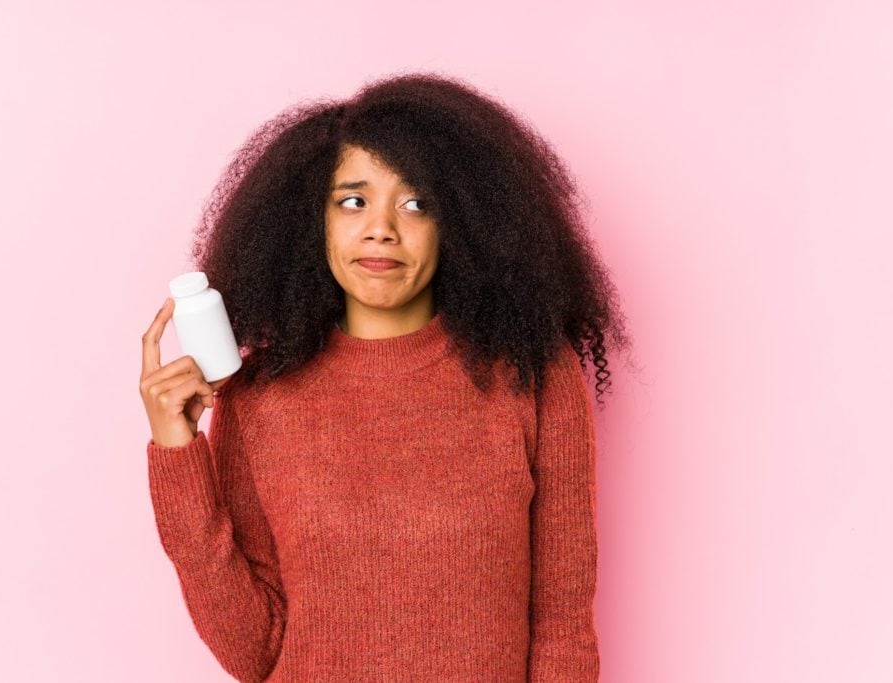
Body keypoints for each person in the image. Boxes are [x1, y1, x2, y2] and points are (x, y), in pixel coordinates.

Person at [139, 71, 631, 682]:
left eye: (417, 202)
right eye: (353, 200)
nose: (382, 228)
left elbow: (561, 620)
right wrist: (178, 449)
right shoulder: (259, 396)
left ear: (465, 222)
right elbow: (253, 651)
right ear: (310, 220)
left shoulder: (531, 373)